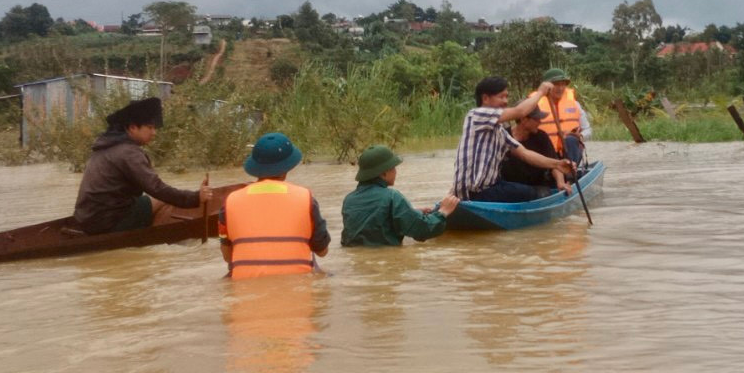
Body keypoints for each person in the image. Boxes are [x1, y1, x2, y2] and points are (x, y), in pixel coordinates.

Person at [73, 96, 211, 234]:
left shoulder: (105, 146)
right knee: (161, 199)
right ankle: (156, 235)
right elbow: (157, 189)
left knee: (146, 200)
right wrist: (196, 198)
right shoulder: (128, 152)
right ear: (133, 128)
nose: (154, 133)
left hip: (85, 219)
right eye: (149, 128)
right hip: (107, 223)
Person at [219, 132, 330, 278]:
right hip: (298, 288)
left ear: (255, 168)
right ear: (286, 169)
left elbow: (227, 256)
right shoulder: (306, 199)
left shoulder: (229, 203)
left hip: (245, 289)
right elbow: (322, 251)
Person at [452, 76, 572, 202]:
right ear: (485, 98)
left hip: (491, 187)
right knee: (531, 193)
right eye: (501, 97)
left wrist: (557, 164)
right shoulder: (476, 115)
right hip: (476, 192)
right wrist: (541, 92)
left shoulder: (500, 131)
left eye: (507, 97)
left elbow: (525, 154)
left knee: (528, 192)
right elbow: (520, 111)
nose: (505, 101)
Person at [341, 145, 461, 247]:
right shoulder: (392, 197)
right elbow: (423, 229)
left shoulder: (349, 200)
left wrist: (412, 212)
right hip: (385, 263)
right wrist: (443, 212)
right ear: (383, 174)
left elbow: (372, 222)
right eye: (393, 168)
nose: (396, 172)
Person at [500, 109, 571, 193]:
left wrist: (561, 182)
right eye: (536, 119)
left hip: (538, 186)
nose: (540, 122)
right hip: (512, 187)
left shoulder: (541, 136)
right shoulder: (503, 137)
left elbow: (555, 164)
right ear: (524, 120)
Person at [537, 68, 587, 165]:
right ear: (546, 86)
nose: (560, 88)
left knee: (571, 140)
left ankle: (569, 176)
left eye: (563, 84)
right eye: (556, 84)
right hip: (545, 152)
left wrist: (580, 135)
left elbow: (587, 129)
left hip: (569, 151)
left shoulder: (575, 104)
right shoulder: (536, 105)